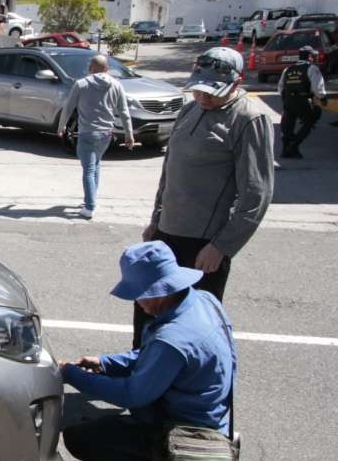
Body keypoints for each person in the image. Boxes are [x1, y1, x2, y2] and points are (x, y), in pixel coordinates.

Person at [61, 241, 236, 461]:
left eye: (140, 296)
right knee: (104, 428)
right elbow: (150, 358)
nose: (139, 304)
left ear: (160, 292)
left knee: (78, 437)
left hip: (185, 427)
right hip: (212, 415)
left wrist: (71, 375)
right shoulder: (205, 301)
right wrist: (105, 363)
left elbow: (131, 394)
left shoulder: (174, 339)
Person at [135, 46, 273, 348]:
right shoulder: (190, 109)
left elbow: (256, 193)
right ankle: (142, 383)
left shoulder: (248, 119)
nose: (203, 97)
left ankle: (185, 392)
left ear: (236, 83)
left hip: (203, 246)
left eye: (212, 92)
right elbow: (169, 171)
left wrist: (221, 246)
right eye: (199, 90)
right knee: (149, 312)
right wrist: (155, 221)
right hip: (166, 236)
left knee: (189, 329)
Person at [58, 54, 135, 219]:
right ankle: (90, 199)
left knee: (88, 169)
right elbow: (124, 112)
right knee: (96, 165)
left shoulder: (81, 84)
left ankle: (90, 207)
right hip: (107, 134)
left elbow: (68, 107)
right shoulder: (116, 85)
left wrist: (61, 126)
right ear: (107, 69)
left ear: (90, 68)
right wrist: (129, 133)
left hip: (87, 133)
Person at [276, 45, 328, 160]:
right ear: (309, 56)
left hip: (288, 100)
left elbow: (280, 87)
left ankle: (285, 150)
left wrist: (287, 99)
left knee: (288, 125)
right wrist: (323, 98)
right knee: (310, 120)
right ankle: (294, 145)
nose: (313, 58)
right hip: (303, 100)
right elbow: (318, 88)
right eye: (313, 56)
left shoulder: (288, 69)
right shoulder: (312, 68)